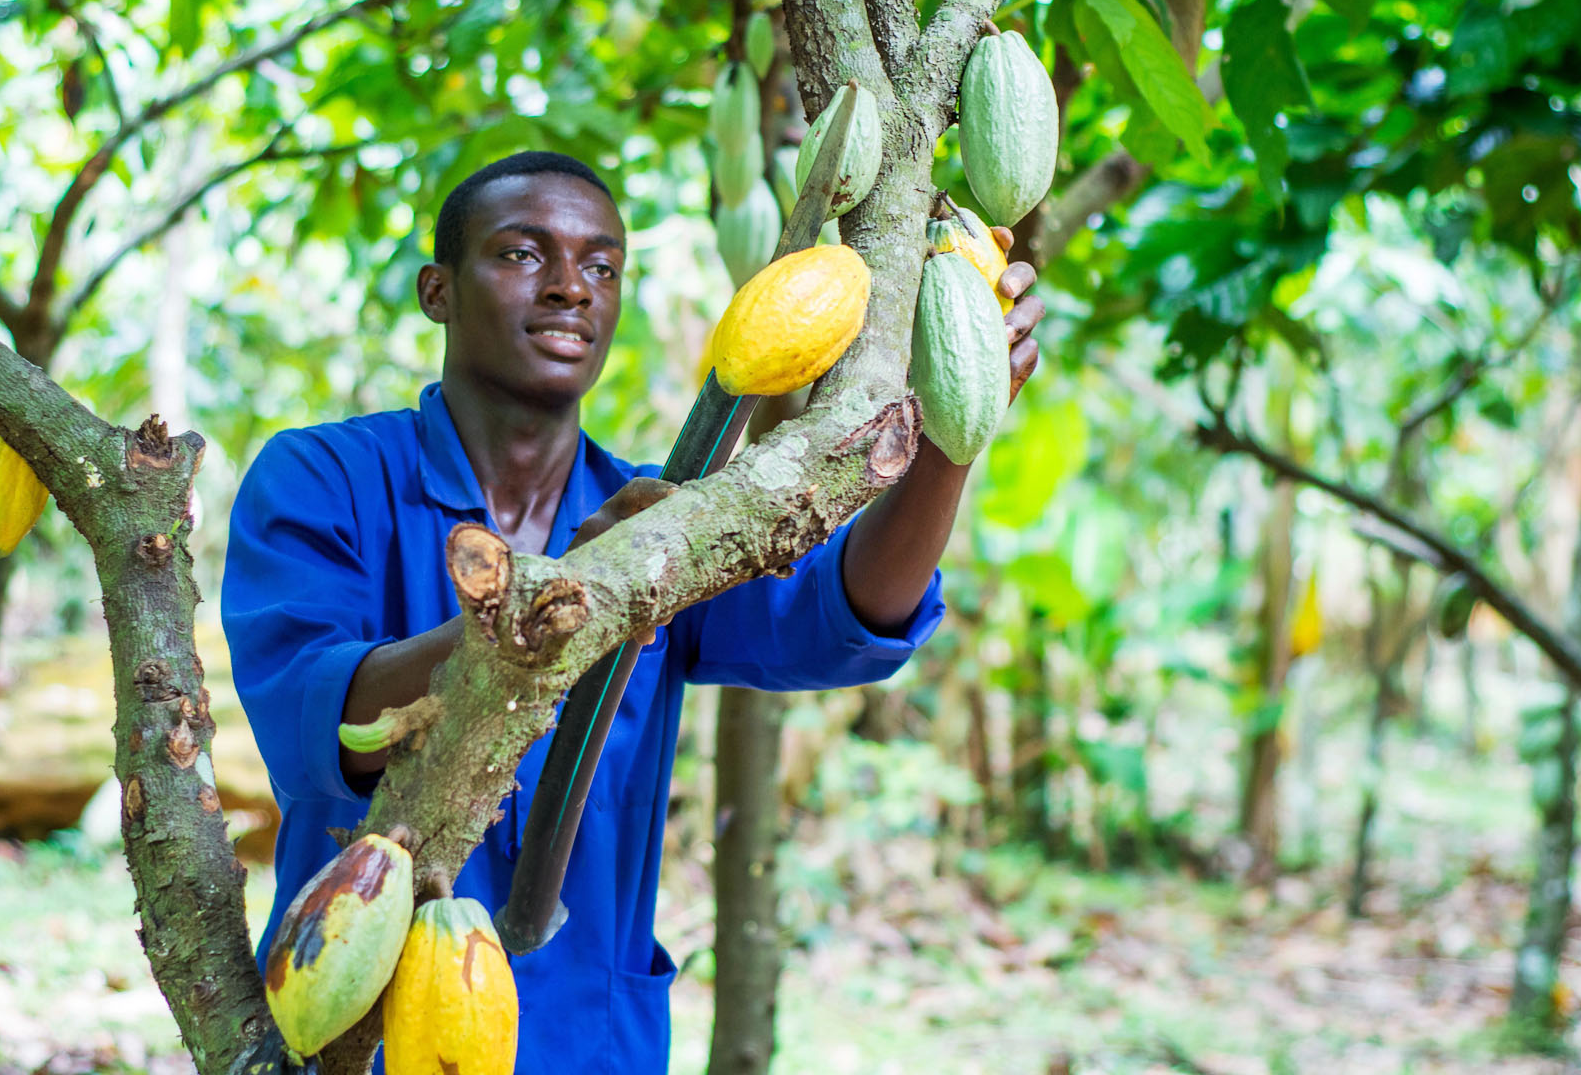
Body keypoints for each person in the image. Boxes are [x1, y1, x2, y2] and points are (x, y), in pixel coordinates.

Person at [222, 150, 1043, 1071]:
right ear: (437, 291)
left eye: (602, 266)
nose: (572, 287)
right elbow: (316, 724)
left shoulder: (662, 521)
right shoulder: (322, 479)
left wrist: (953, 430)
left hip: (587, 1037)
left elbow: (840, 620)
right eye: (524, 255)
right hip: (362, 1038)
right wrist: (565, 593)